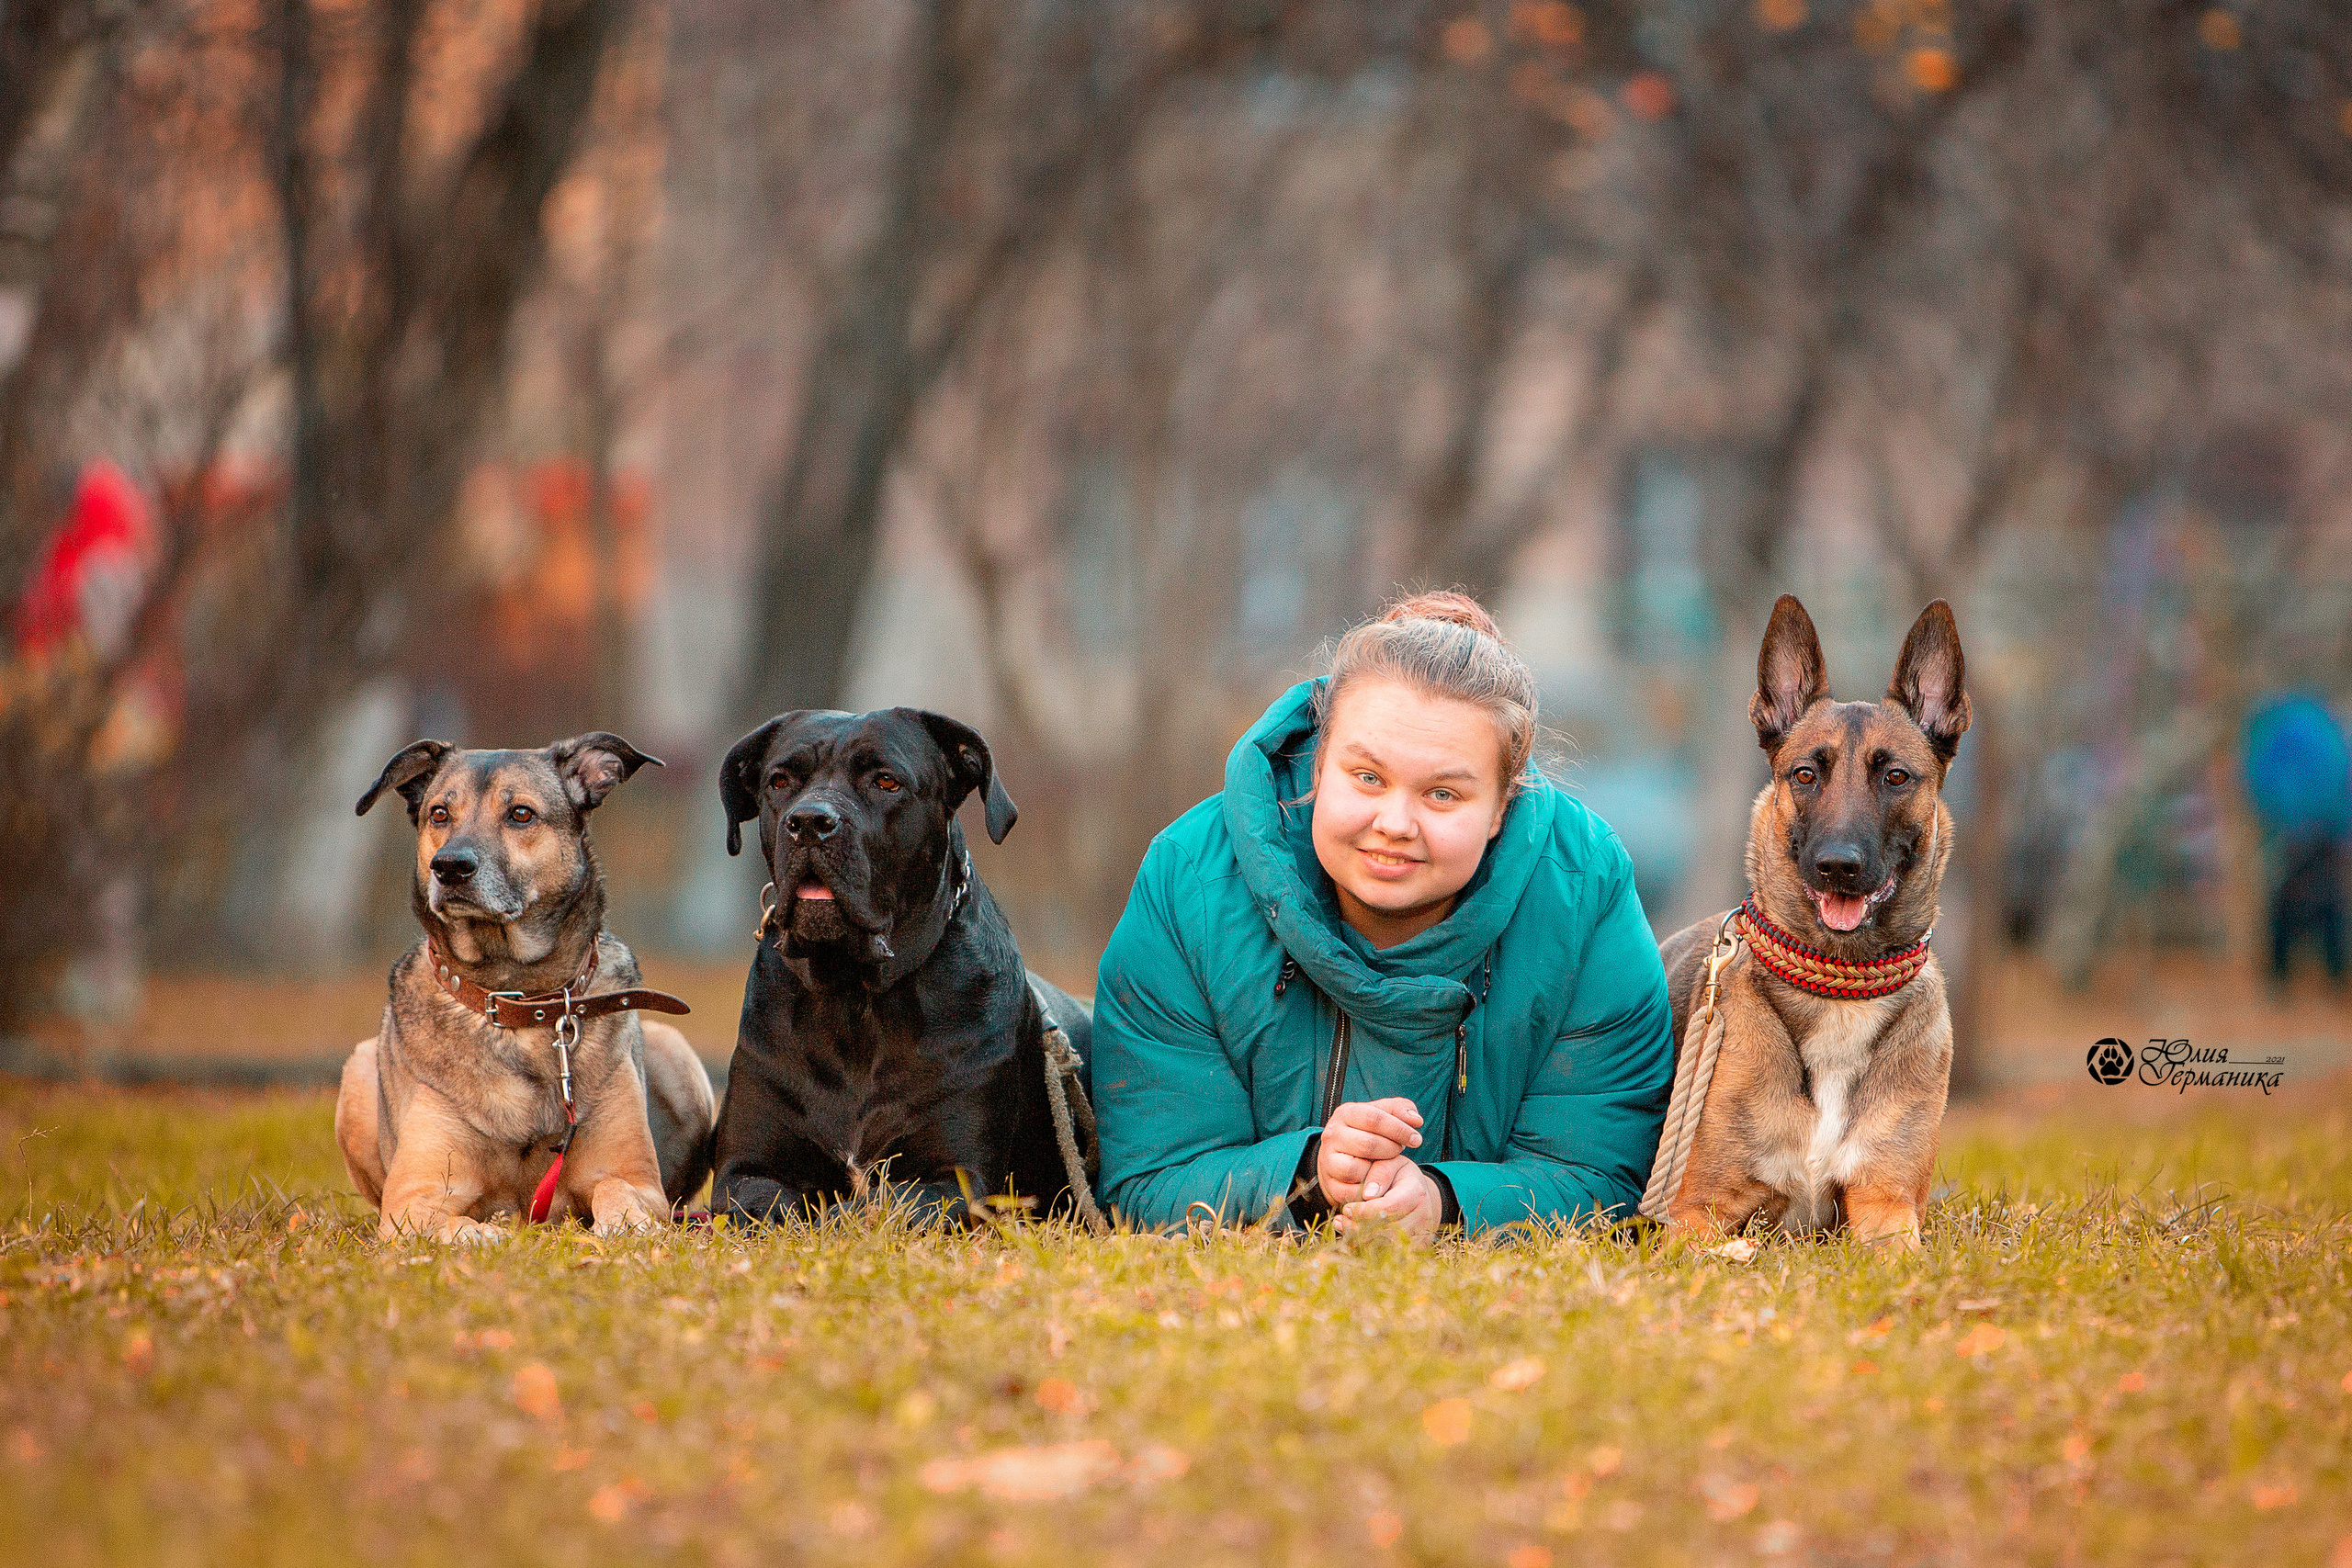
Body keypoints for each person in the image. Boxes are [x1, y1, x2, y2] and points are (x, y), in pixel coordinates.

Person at [1091, 591, 1673, 1238]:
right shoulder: (1191, 882)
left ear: (1504, 804)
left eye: (1442, 793)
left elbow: (1607, 1178)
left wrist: (1446, 1206)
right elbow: (1146, 1179)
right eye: (1367, 777)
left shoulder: (1583, 894)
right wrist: (1307, 1172)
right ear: (1319, 760)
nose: (1394, 823)